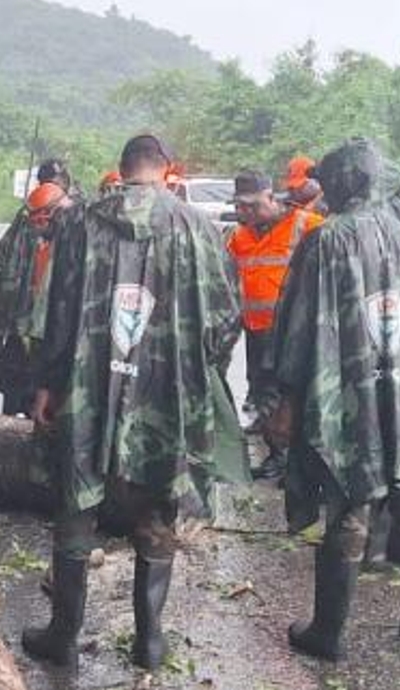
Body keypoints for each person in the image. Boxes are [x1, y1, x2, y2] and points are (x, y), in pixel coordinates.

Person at [24, 134, 245, 676]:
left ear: (122, 170)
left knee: (77, 500)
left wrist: (48, 384)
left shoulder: (80, 222)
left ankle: (64, 637)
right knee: (158, 503)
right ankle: (149, 642)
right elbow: (224, 317)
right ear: (167, 171)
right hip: (167, 390)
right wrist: (201, 373)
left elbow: (56, 312)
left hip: (87, 383)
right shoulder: (198, 228)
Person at [266, 138, 400, 660]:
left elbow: (299, 329)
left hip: (347, 393)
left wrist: (284, 401)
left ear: (341, 183)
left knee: (349, 504)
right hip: (392, 386)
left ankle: (328, 633)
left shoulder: (330, 240)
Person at [227, 170, 323, 480]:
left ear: (272, 197)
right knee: (264, 395)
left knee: (297, 395)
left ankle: (307, 461)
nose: (246, 212)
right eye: (241, 206)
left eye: (253, 205)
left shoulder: (306, 225)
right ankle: (279, 456)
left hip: (296, 331)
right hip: (257, 331)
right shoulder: (239, 236)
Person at [0, 158, 75, 415]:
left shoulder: (69, 219)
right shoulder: (36, 211)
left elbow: (6, 273)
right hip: (31, 326)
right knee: (22, 393)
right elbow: (9, 273)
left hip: (39, 327)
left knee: (33, 397)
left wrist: (0, 324)